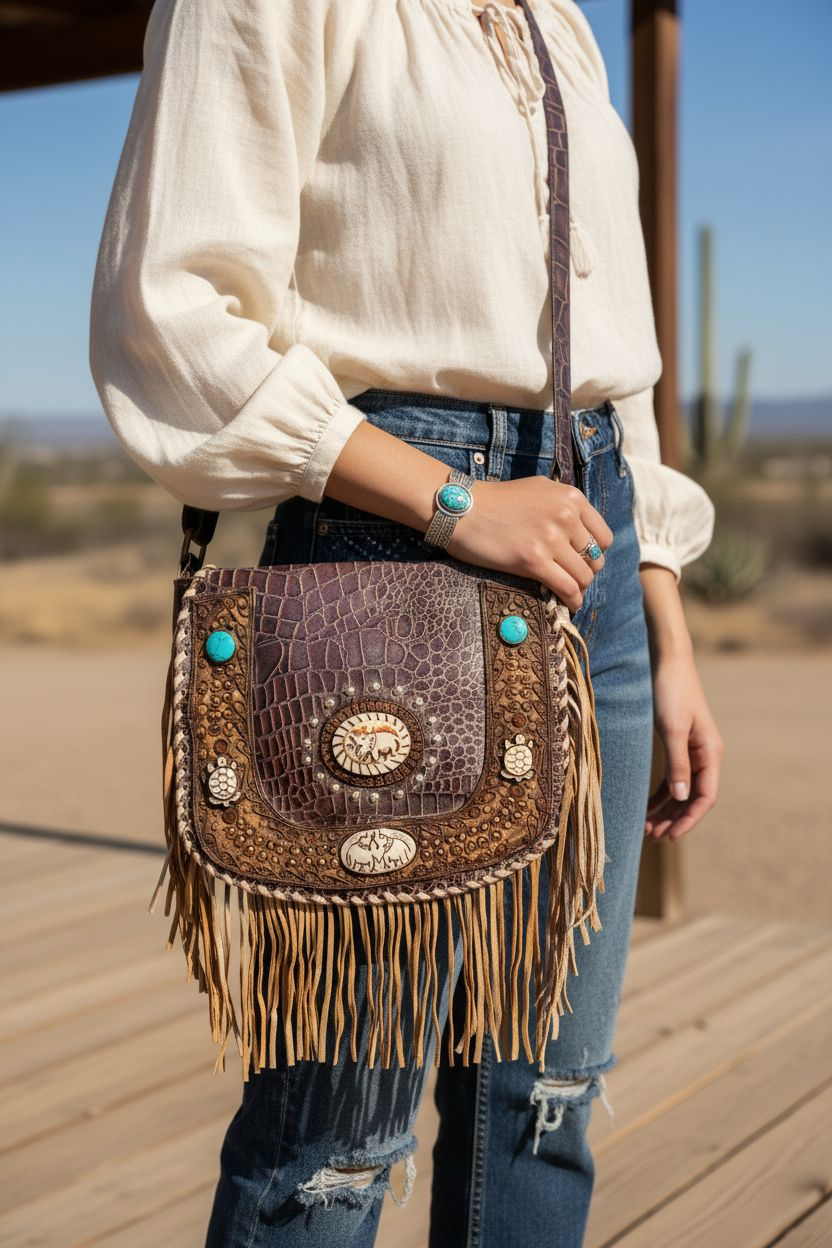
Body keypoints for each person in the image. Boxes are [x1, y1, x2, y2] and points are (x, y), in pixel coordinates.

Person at [89, 0, 725, 1243]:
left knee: (546, 1096)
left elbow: (617, 359)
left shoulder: (556, 21)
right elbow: (173, 310)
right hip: (390, 547)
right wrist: (454, 502)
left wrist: (666, 628)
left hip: (592, 544)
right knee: (337, 1137)